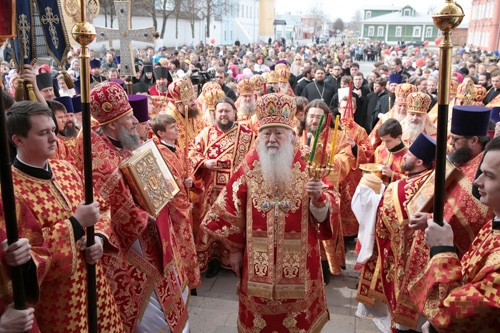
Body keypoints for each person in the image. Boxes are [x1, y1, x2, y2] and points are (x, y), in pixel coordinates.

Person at [201, 93, 340, 332]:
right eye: (266, 133)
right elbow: (231, 211)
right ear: (260, 135)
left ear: (291, 134)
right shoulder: (249, 165)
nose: (272, 139)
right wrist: (234, 251)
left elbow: (330, 205)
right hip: (256, 265)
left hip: (301, 264)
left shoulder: (309, 163)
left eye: (278, 133)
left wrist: (319, 198)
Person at [76, 82, 189, 332]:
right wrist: (143, 214)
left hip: (155, 233)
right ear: (113, 124)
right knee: (149, 309)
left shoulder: (126, 142)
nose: (135, 121)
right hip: (131, 246)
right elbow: (111, 204)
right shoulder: (97, 156)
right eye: (129, 118)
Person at [5, 101, 124, 332]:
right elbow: (24, 256)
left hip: (96, 286)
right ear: (18, 140)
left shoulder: (66, 169)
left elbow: (101, 208)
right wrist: (76, 224)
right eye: (43, 133)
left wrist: (98, 237)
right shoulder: (10, 192)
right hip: (59, 302)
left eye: (53, 130)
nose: (54, 139)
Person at [409, 135, 500, 332]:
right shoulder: (492, 226)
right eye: (480, 173)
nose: (477, 182)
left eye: (490, 176)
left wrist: (442, 249)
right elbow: (466, 276)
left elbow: (453, 316)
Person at [356, 133, 436, 332]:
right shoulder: (432, 178)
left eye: (408, 155)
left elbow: (386, 218)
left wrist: (371, 195)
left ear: (418, 161)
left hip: (403, 257)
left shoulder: (397, 189)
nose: (404, 157)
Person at [190, 97, 255, 277]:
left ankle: (235, 260)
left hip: (236, 192)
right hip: (211, 192)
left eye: (227, 111)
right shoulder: (206, 133)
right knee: (211, 225)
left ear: (235, 112)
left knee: (234, 224)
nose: (224, 114)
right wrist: (205, 162)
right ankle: (212, 261)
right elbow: (191, 153)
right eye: (220, 111)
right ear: (214, 113)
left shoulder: (248, 135)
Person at [151, 114, 202, 294]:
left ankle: (191, 281)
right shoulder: (158, 153)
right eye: (173, 127)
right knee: (178, 246)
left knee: (188, 244)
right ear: (161, 133)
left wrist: (190, 181)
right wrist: (182, 202)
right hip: (174, 209)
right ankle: (182, 282)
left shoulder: (178, 150)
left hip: (184, 204)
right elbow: (165, 183)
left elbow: (187, 173)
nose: (177, 129)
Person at [371, 118, 408, 184]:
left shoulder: (407, 156)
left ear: (399, 137)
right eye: (382, 140)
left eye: (388, 141)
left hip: (393, 192)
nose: (384, 144)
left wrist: (392, 175)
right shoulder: (379, 150)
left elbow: (411, 180)